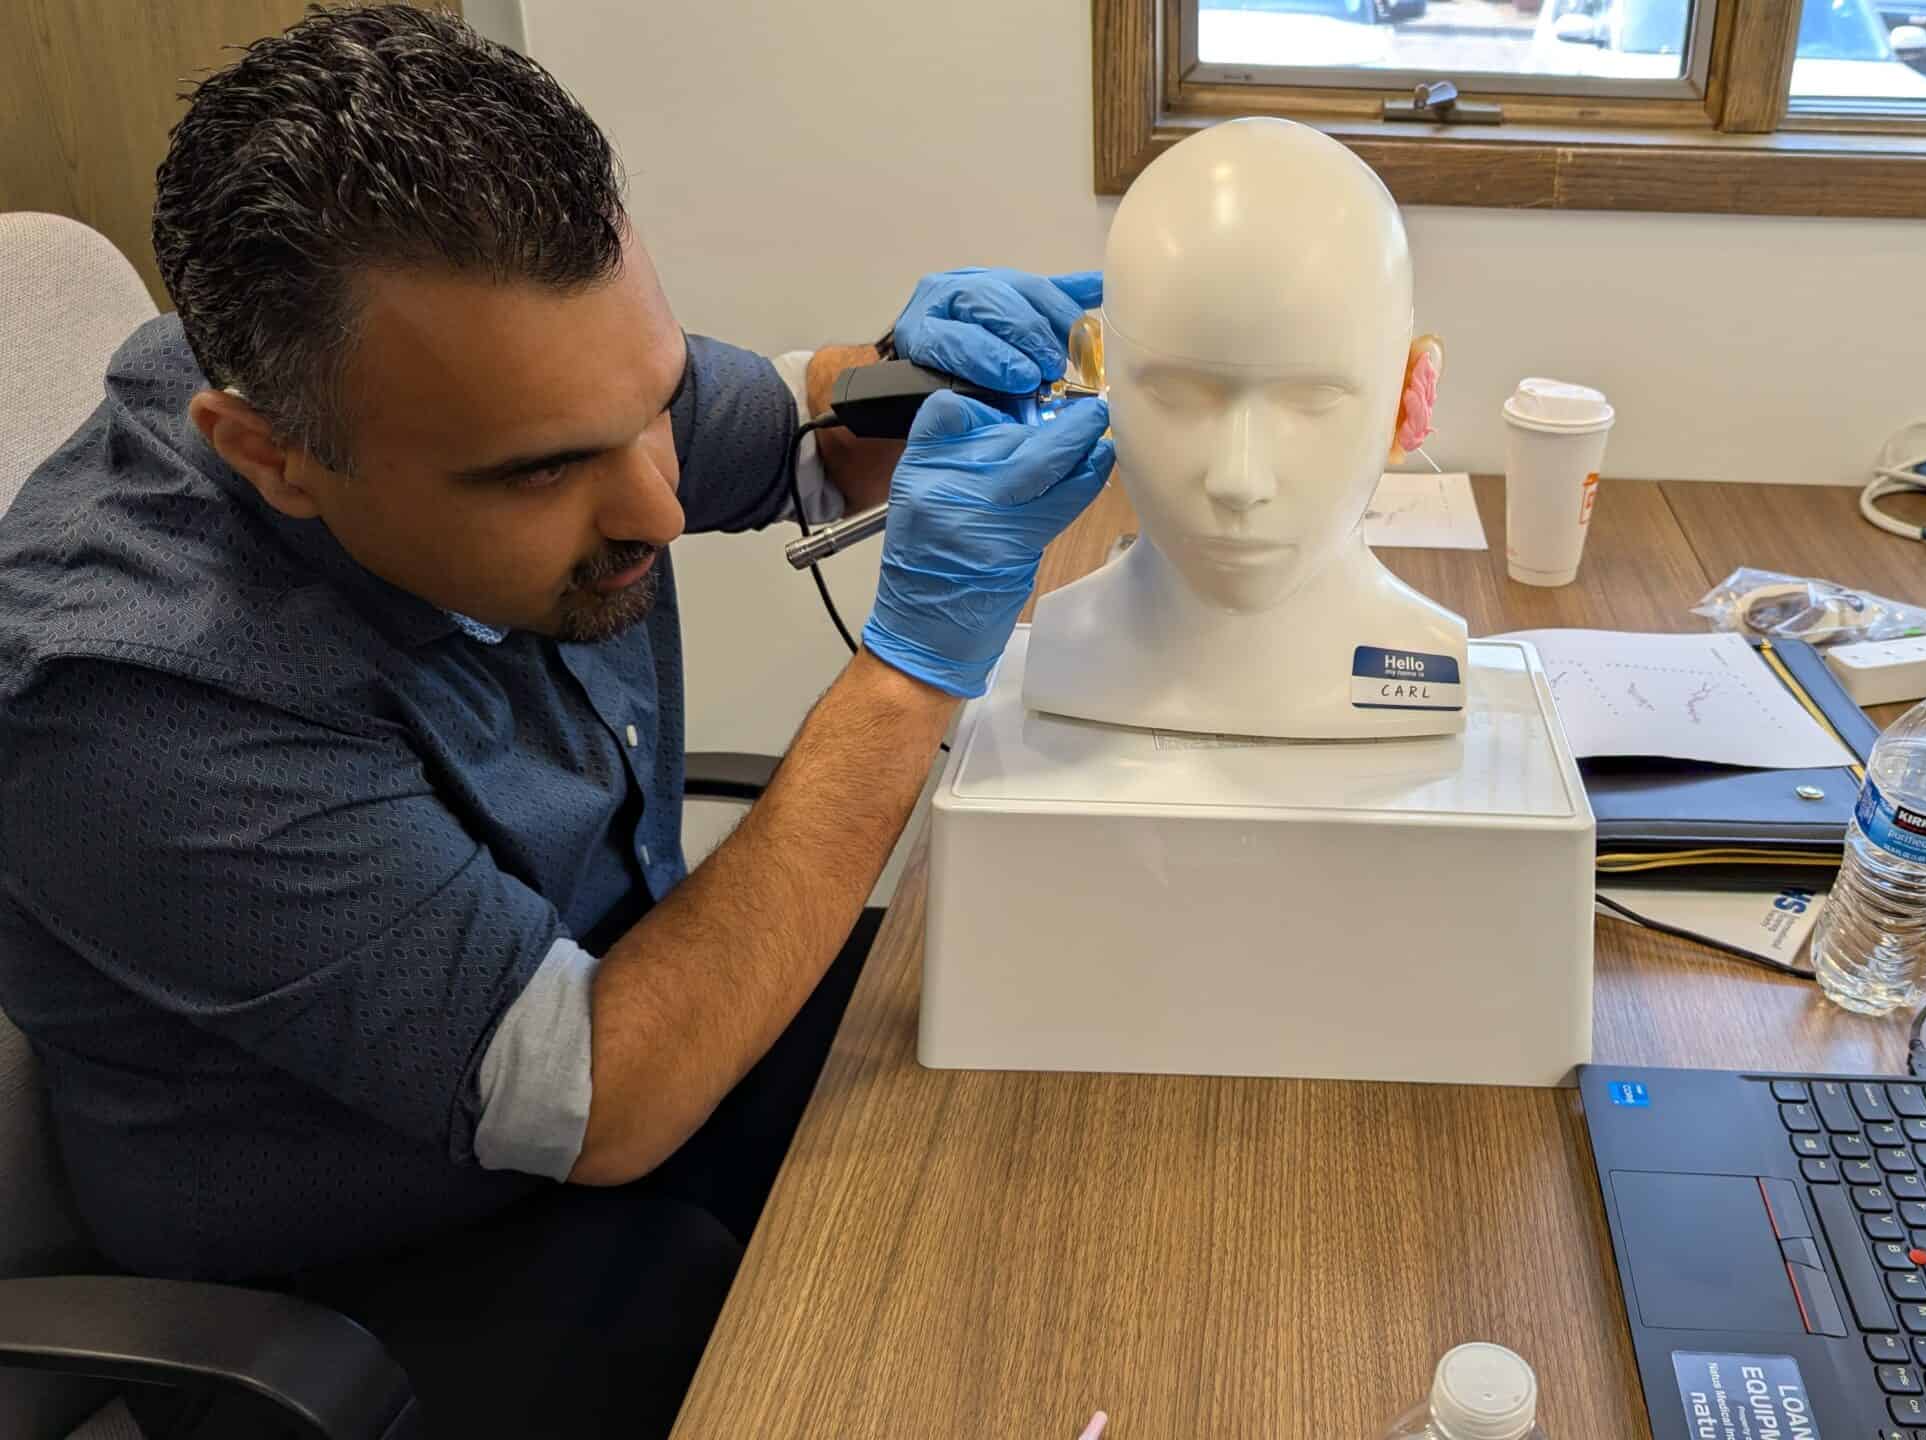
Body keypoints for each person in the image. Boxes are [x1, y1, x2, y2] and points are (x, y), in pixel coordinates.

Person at [0, 6, 1111, 1436]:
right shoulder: (123, 699)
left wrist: (903, 373)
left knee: (1012, 1079)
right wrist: (909, 675)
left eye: (644, 403)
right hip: (380, 1283)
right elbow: (605, 1095)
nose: (658, 504)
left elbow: (788, 419)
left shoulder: (450, 370)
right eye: (544, 474)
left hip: (606, 1054)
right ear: (269, 454)